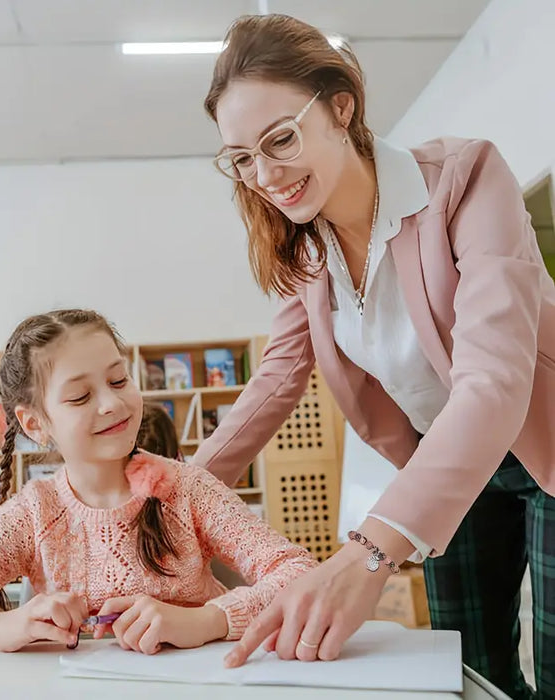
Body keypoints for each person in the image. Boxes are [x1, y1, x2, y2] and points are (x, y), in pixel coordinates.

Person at [192, 13, 555, 699]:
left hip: (545, 439)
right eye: (241, 158)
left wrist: (368, 550)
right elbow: (276, 382)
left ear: (340, 107)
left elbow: (494, 381)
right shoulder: (306, 252)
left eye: (280, 139)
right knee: (469, 669)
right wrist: (175, 497)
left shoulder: (465, 180)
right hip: (445, 462)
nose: (265, 175)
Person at [0, 309, 316, 652]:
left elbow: (300, 574)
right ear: (35, 423)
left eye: (119, 380)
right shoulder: (34, 513)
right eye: (80, 395)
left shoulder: (186, 488)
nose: (111, 404)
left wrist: (207, 621)